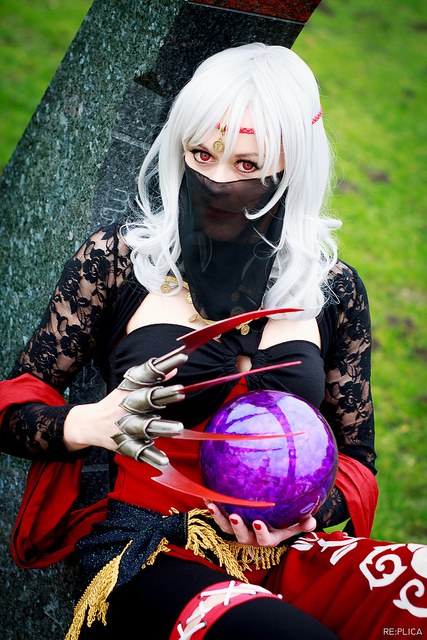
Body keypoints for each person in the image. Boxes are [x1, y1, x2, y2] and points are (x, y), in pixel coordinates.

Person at [0, 43, 425, 640]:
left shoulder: (332, 290)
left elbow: (358, 461)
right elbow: (14, 404)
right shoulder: (122, 260)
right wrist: (87, 424)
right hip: (150, 548)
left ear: (293, 168)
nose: (219, 181)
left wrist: (304, 515)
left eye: (248, 166)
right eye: (201, 154)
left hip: (286, 553)